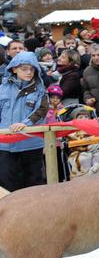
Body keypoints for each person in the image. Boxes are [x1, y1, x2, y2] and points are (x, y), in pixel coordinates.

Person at [0, 51, 49, 191]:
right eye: (24, 69)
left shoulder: (40, 90)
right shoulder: (2, 89)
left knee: (33, 185)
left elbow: (42, 110)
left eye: (32, 69)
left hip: (31, 144)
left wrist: (25, 123)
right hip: (5, 145)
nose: (29, 72)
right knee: (7, 185)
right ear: (14, 69)